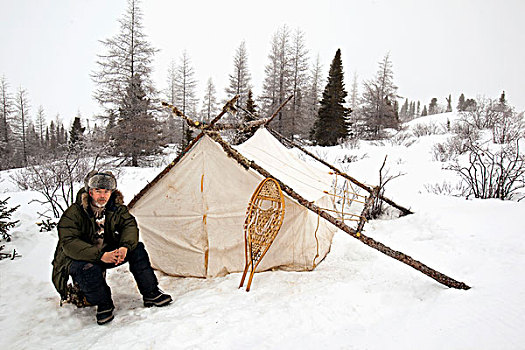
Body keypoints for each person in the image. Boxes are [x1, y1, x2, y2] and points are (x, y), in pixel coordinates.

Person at [52, 170, 172, 325]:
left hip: (106, 251)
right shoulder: (74, 213)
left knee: (137, 249)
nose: (102, 196)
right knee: (88, 268)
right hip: (80, 258)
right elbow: (69, 243)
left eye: (106, 191)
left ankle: (151, 293)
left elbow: (129, 226)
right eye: (98, 191)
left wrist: (124, 247)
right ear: (90, 192)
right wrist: (99, 256)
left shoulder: (116, 208)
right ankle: (104, 304)